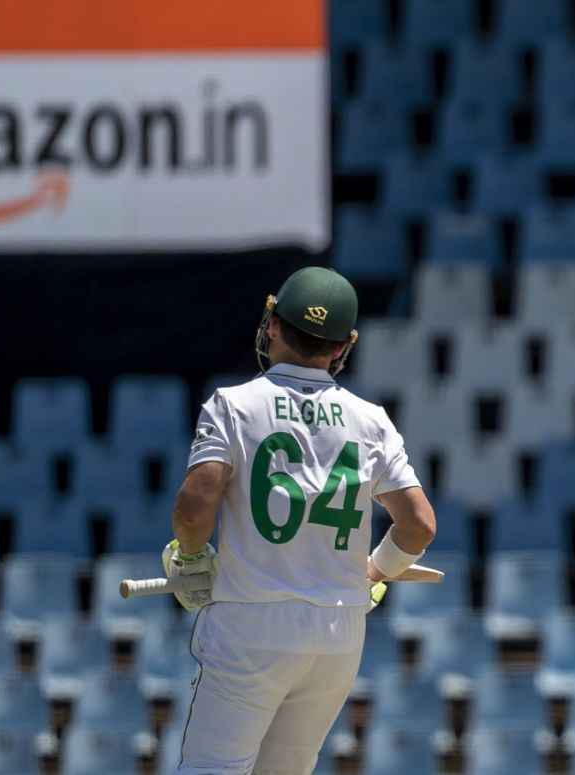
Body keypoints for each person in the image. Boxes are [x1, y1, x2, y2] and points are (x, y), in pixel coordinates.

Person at [163, 266, 436, 774]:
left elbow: (193, 508)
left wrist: (192, 555)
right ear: (341, 347)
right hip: (338, 630)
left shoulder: (233, 405)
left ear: (272, 325)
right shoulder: (370, 418)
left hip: (251, 619)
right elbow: (418, 525)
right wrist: (376, 572)